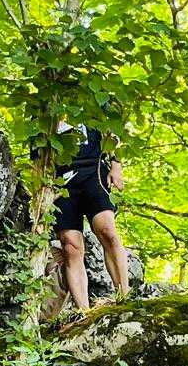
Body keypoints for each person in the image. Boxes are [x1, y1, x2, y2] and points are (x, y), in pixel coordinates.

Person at [51, 120, 129, 313]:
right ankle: (84, 313)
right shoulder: (44, 107)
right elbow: (38, 154)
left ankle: (125, 297)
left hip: (94, 169)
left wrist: (116, 166)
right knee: (70, 246)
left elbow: (112, 129)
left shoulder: (92, 102)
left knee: (107, 230)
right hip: (61, 178)